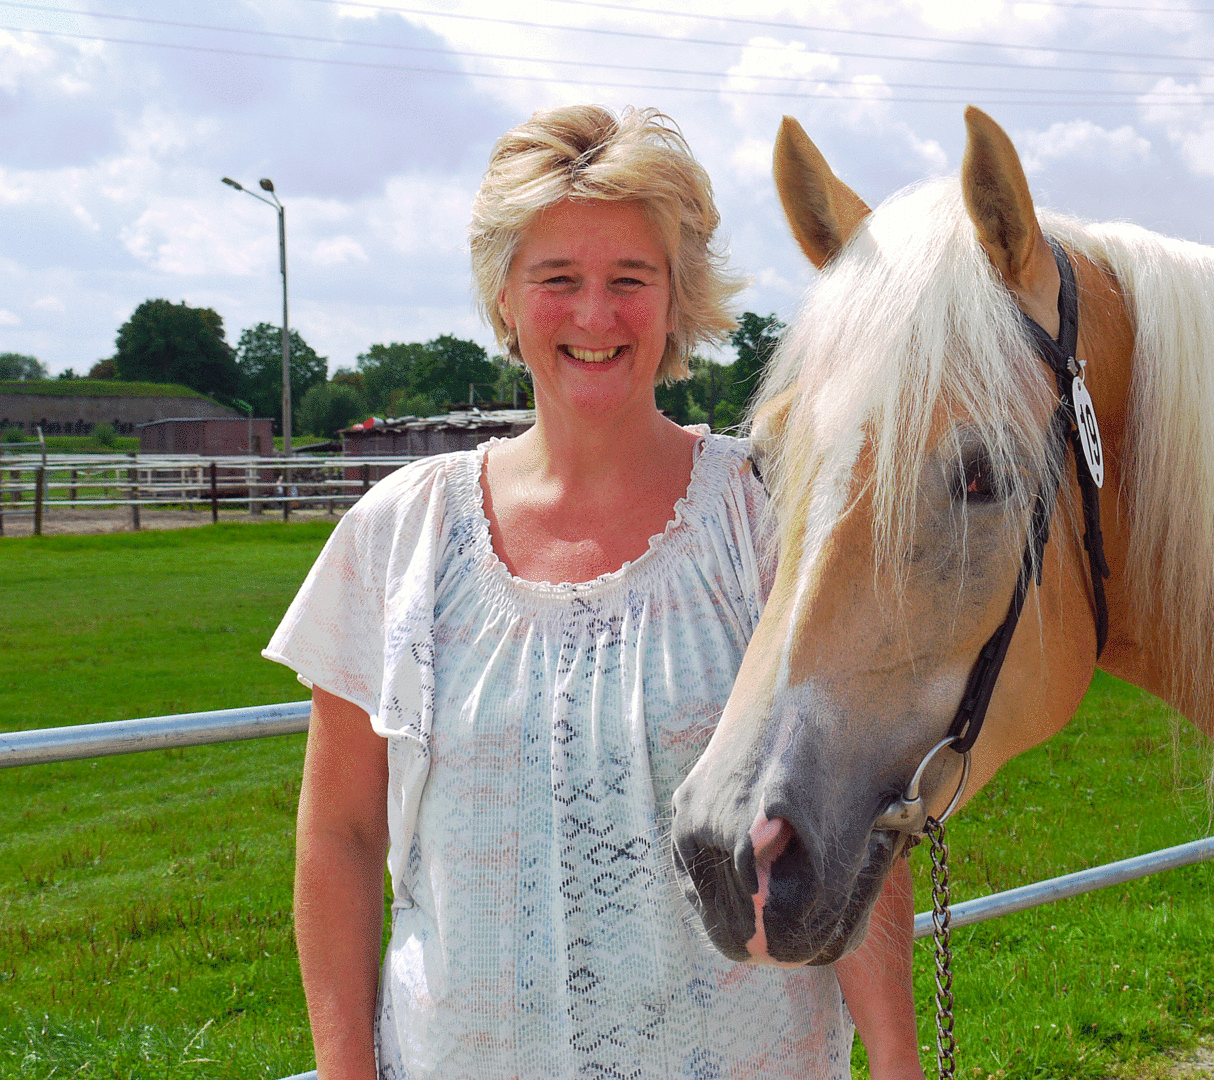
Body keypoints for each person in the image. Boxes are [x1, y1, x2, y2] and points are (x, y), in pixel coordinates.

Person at [265, 104, 924, 1080]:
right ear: (504, 298)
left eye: (630, 280)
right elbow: (343, 836)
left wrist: (901, 1067)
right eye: (558, 280)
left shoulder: (767, 522)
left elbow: (847, 833)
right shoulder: (397, 536)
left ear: (676, 298)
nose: (595, 315)